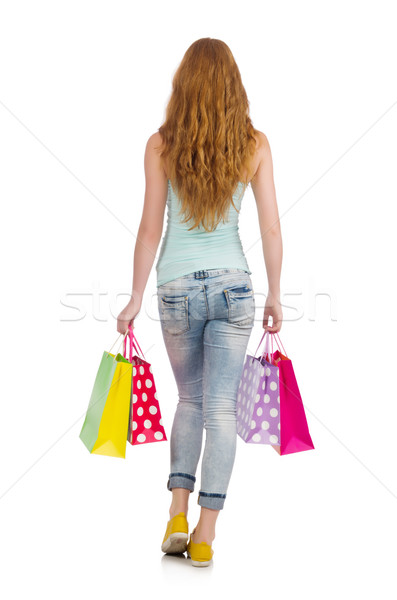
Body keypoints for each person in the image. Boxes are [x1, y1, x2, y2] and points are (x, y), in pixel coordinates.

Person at [116, 37, 283, 567]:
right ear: (235, 86)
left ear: (182, 84)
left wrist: (134, 296)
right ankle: (207, 534)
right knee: (221, 410)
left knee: (189, 401)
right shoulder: (254, 145)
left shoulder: (160, 144)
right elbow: (272, 228)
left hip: (177, 288)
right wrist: (275, 292)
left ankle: (177, 513)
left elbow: (148, 230)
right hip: (235, 287)